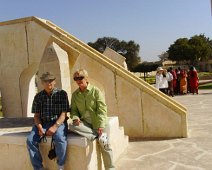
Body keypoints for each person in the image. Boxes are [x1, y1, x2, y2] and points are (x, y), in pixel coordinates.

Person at [69, 69, 115, 170]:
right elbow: (74, 111)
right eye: (75, 78)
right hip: (86, 124)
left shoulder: (96, 91)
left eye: (80, 77)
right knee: (71, 126)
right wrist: (76, 118)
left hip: (99, 122)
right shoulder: (75, 95)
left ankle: (110, 168)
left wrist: (100, 126)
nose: (78, 80)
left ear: (86, 78)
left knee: (104, 144)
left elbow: (102, 110)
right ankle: (94, 135)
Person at [26, 72, 69, 170]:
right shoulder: (38, 97)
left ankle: (60, 166)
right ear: (42, 82)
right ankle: (38, 168)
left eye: (51, 80)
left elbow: (64, 114)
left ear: (55, 82)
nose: (48, 83)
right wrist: (39, 127)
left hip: (58, 122)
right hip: (43, 123)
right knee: (30, 141)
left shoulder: (62, 94)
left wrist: (55, 127)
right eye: (46, 81)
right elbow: (36, 116)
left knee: (60, 139)